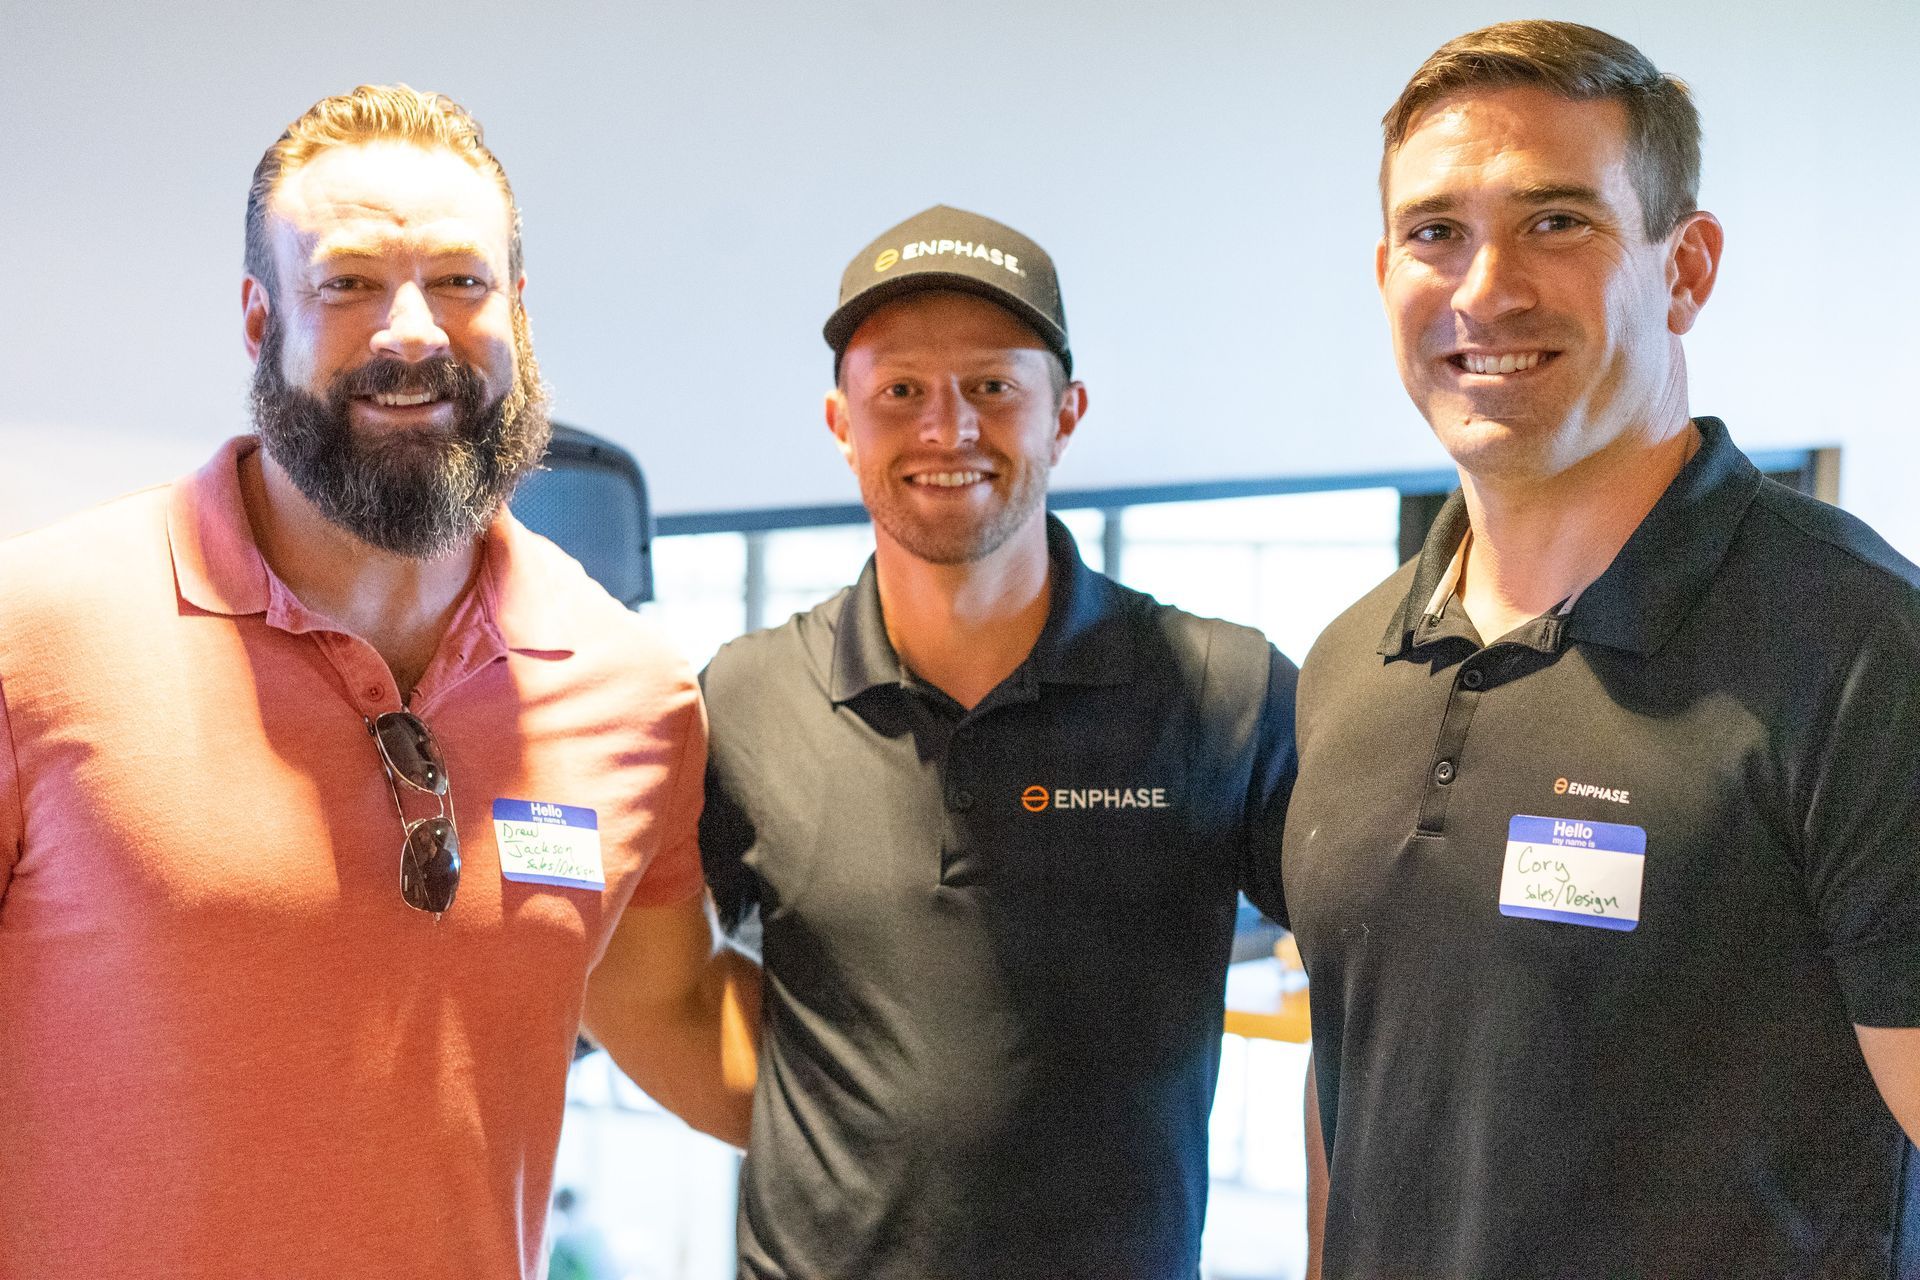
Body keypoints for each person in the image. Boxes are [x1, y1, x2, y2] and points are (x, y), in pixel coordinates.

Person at [0, 85, 757, 1277]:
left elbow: (673, 1017)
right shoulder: (32, 637)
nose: (414, 331)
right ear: (260, 321)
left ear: (517, 310)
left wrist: (1044, 1119)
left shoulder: (633, 691)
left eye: (462, 281)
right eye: (348, 283)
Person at [1285, 21, 1920, 1279]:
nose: (1485, 289)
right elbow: (1358, 1091)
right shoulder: (1349, 663)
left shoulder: (1857, 647)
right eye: (1436, 233)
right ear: (1384, 274)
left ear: (1685, 269)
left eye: (1556, 223)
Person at [698, 204, 1298, 1279]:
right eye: (900, 393)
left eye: (991, 387)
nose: (947, 429)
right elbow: (648, 978)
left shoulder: (1225, 690)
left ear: (1065, 414)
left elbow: (1388, 988)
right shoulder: (746, 698)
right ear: (842, 422)